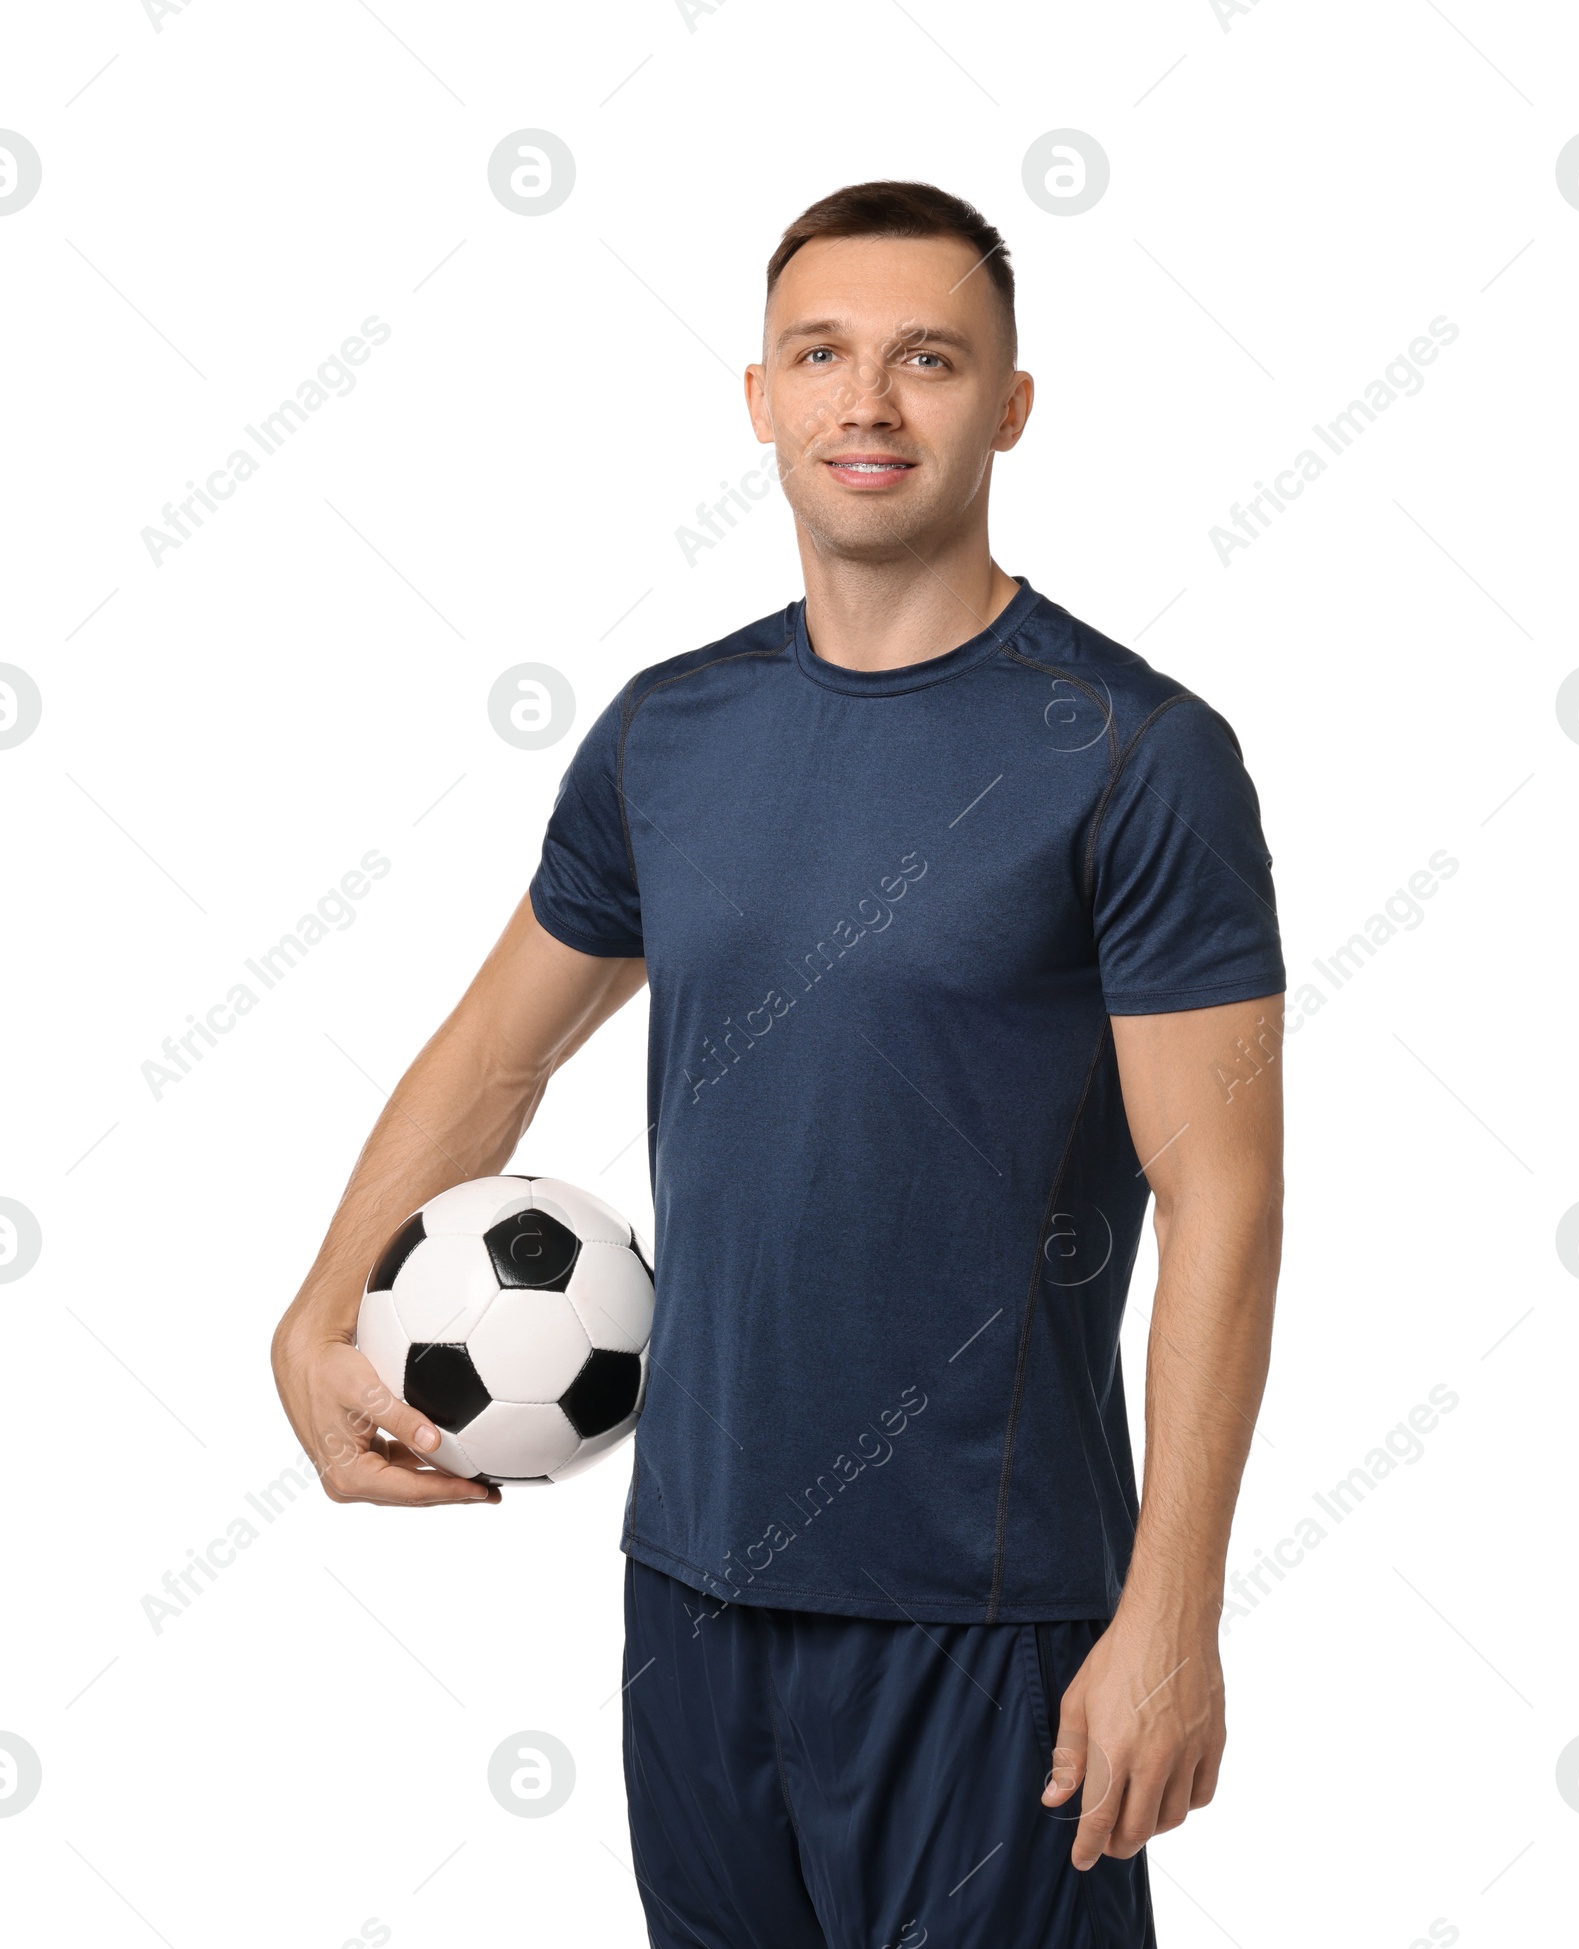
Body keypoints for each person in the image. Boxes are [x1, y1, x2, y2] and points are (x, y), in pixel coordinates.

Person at [272, 180, 1286, 1949]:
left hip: (992, 1616)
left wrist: (1174, 1611)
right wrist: (320, 1306)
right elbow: (497, 1052)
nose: (868, 404)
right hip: (693, 1590)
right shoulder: (671, 731)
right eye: (823, 355)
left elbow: (1226, 1191)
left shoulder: (1137, 754)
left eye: (928, 360)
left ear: (1012, 404)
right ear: (760, 395)